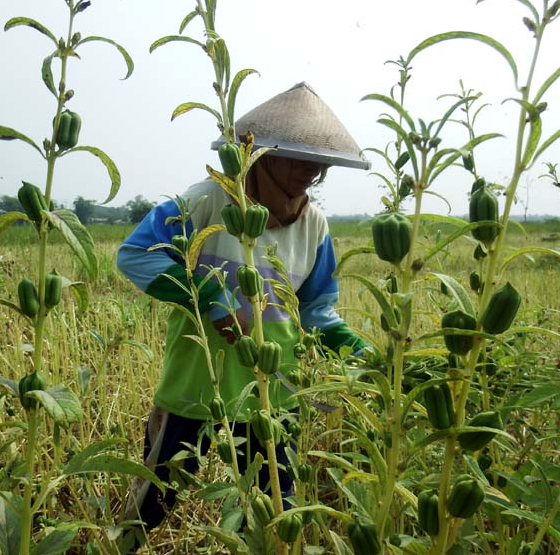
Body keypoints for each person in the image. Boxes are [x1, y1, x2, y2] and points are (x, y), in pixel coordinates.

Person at [115, 82, 371, 551]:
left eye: (318, 163)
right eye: (296, 159)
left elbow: (315, 310)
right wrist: (213, 297)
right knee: (157, 496)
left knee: (277, 504)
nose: (309, 173)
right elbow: (134, 256)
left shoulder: (315, 225)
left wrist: (364, 353)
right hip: (200, 381)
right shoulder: (205, 202)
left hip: (274, 388)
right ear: (260, 156)